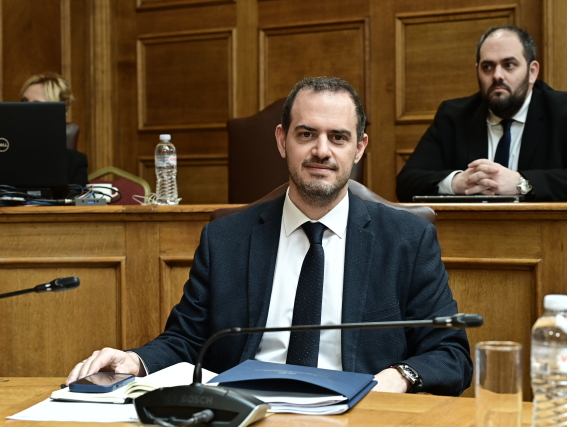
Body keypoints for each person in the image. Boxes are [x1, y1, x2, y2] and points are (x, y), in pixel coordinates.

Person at [65, 76, 472, 395]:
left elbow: (451, 354)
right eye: (306, 134)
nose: (322, 151)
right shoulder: (226, 239)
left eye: (338, 137)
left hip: (358, 412)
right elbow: (187, 339)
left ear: (360, 147)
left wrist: (398, 376)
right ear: (282, 140)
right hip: (249, 410)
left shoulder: (407, 240)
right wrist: (135, 360)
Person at [396, 25, 567, 202]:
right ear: (477, 71)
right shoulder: (453, 116)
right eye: (487, 67)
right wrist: (457, 182)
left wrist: (522, 183)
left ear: (532, 72)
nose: (497, 75)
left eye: (509, 65)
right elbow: (406, 182)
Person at [20, 72, 88, 187]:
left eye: (37, 105)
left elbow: (78, 197)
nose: (25, 110)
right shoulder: (5, 153)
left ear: (59, 113)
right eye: (24, 102)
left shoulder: (75, 162)